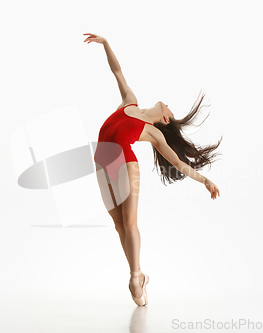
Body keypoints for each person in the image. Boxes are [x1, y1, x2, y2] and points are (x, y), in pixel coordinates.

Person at [84, 33, 222, 306]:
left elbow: (178, 163)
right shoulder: (129, 102)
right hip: (101, 164)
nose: (166, 103)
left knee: (130, 223)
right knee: (119, 225)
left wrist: (204, 180)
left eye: (169, 107)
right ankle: (140, 276)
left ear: (166, 118)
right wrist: (106, 43)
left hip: (125, 164)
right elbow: (117, 71)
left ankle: (135, 278)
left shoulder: (152, 133)